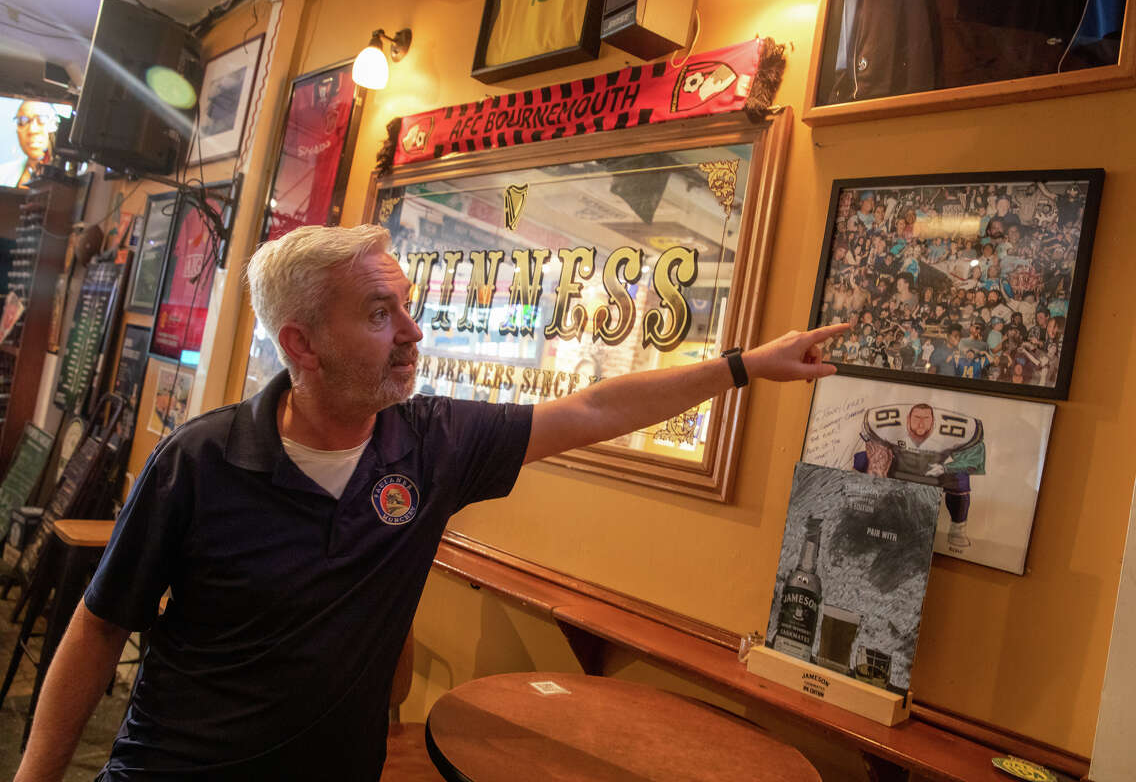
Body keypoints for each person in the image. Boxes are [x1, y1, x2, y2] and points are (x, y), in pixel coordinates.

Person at [15, 225, 850, 782]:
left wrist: (743, 366)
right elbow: (98, 626)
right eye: (380, 314)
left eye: (407, 306)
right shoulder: (197, 462)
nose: (413, 332)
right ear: (301, 343)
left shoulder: (434, 443)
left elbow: (596, 409)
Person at [853, 402, 986, 551]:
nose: (921, 423)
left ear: (934, 421)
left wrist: (945, 467)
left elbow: (973, 461)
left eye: (926, 418)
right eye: (916, 418)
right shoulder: (884, 424)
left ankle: (958, 529)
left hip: (933, 473)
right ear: (908, 419)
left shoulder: (957, 430)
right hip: (896, 468)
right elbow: (876, 455)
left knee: (961, 476)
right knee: (862, 459)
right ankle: (853, 509)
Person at [0, 100, 56, 188]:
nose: (32, 130)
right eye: (22, 121)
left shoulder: (77, 174)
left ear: (55, 125)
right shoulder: (2, 173)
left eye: (42, 119)